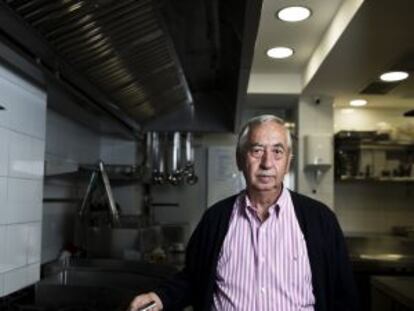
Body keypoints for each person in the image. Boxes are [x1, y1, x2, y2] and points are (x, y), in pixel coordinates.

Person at [129, 115, 358, 311]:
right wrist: (160, 298)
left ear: (288, 162)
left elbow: (344, 297)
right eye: (257, 150)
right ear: (240, 159)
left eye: (277, 151)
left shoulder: (320, 220)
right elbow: (193, 278)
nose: (267, 163)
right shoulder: (215, 219)